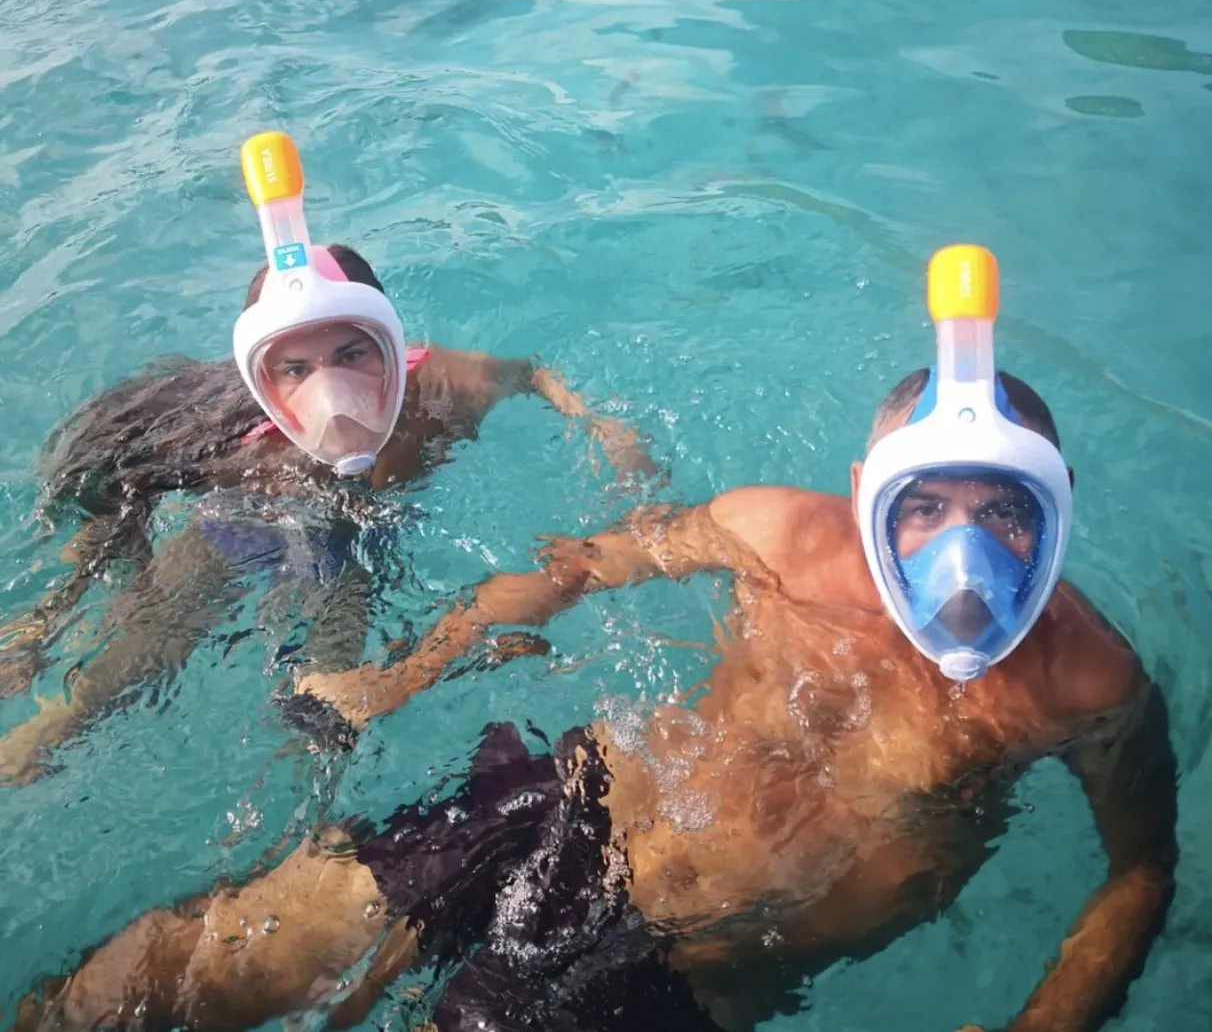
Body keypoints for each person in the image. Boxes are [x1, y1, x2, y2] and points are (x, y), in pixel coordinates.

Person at [15, 246, 1177, 1032]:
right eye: (925, 507)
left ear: (1059, 505)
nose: (963, 553)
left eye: (1005, 510)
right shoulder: (774, 531)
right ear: (870, 489)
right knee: (238, 948)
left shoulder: (1087, 683)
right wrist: (406, 673)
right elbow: (580, 566)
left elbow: (1139, 872)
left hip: (702, 963)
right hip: (577, 799)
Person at [0, 134, 657, 783]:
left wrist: (607, 432)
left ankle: (316, 825)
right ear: (264, 383)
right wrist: (50, 614)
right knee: (150, 641)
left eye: (352, 354)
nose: (331, 392)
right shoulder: (246, 451)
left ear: (393, 346)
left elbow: (533, 373)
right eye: (296, 369)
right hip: (248, 521)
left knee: (329, 714)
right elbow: (120, 489)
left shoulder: (447, 384)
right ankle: (52, 725)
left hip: (354, 541)